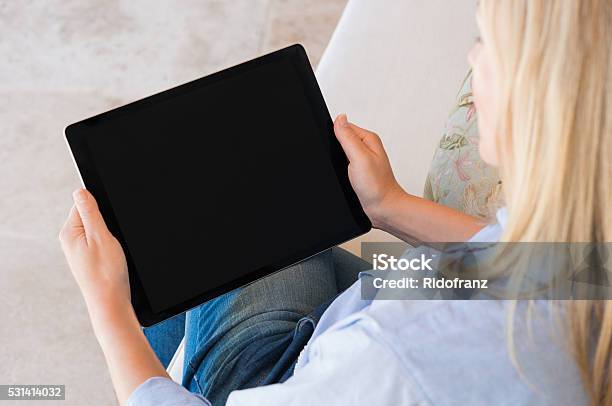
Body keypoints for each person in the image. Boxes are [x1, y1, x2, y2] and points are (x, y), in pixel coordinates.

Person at [59, 0, 611, 405]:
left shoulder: (397, 356)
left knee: (230, 234)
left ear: (538, 99)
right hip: (385, 341)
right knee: (293, 223)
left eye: (485, 43)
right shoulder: (595, 240)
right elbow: (545, 269)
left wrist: (105, 306)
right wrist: (388, 205)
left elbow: (384, 366)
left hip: (311, 379)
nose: (473, 59)